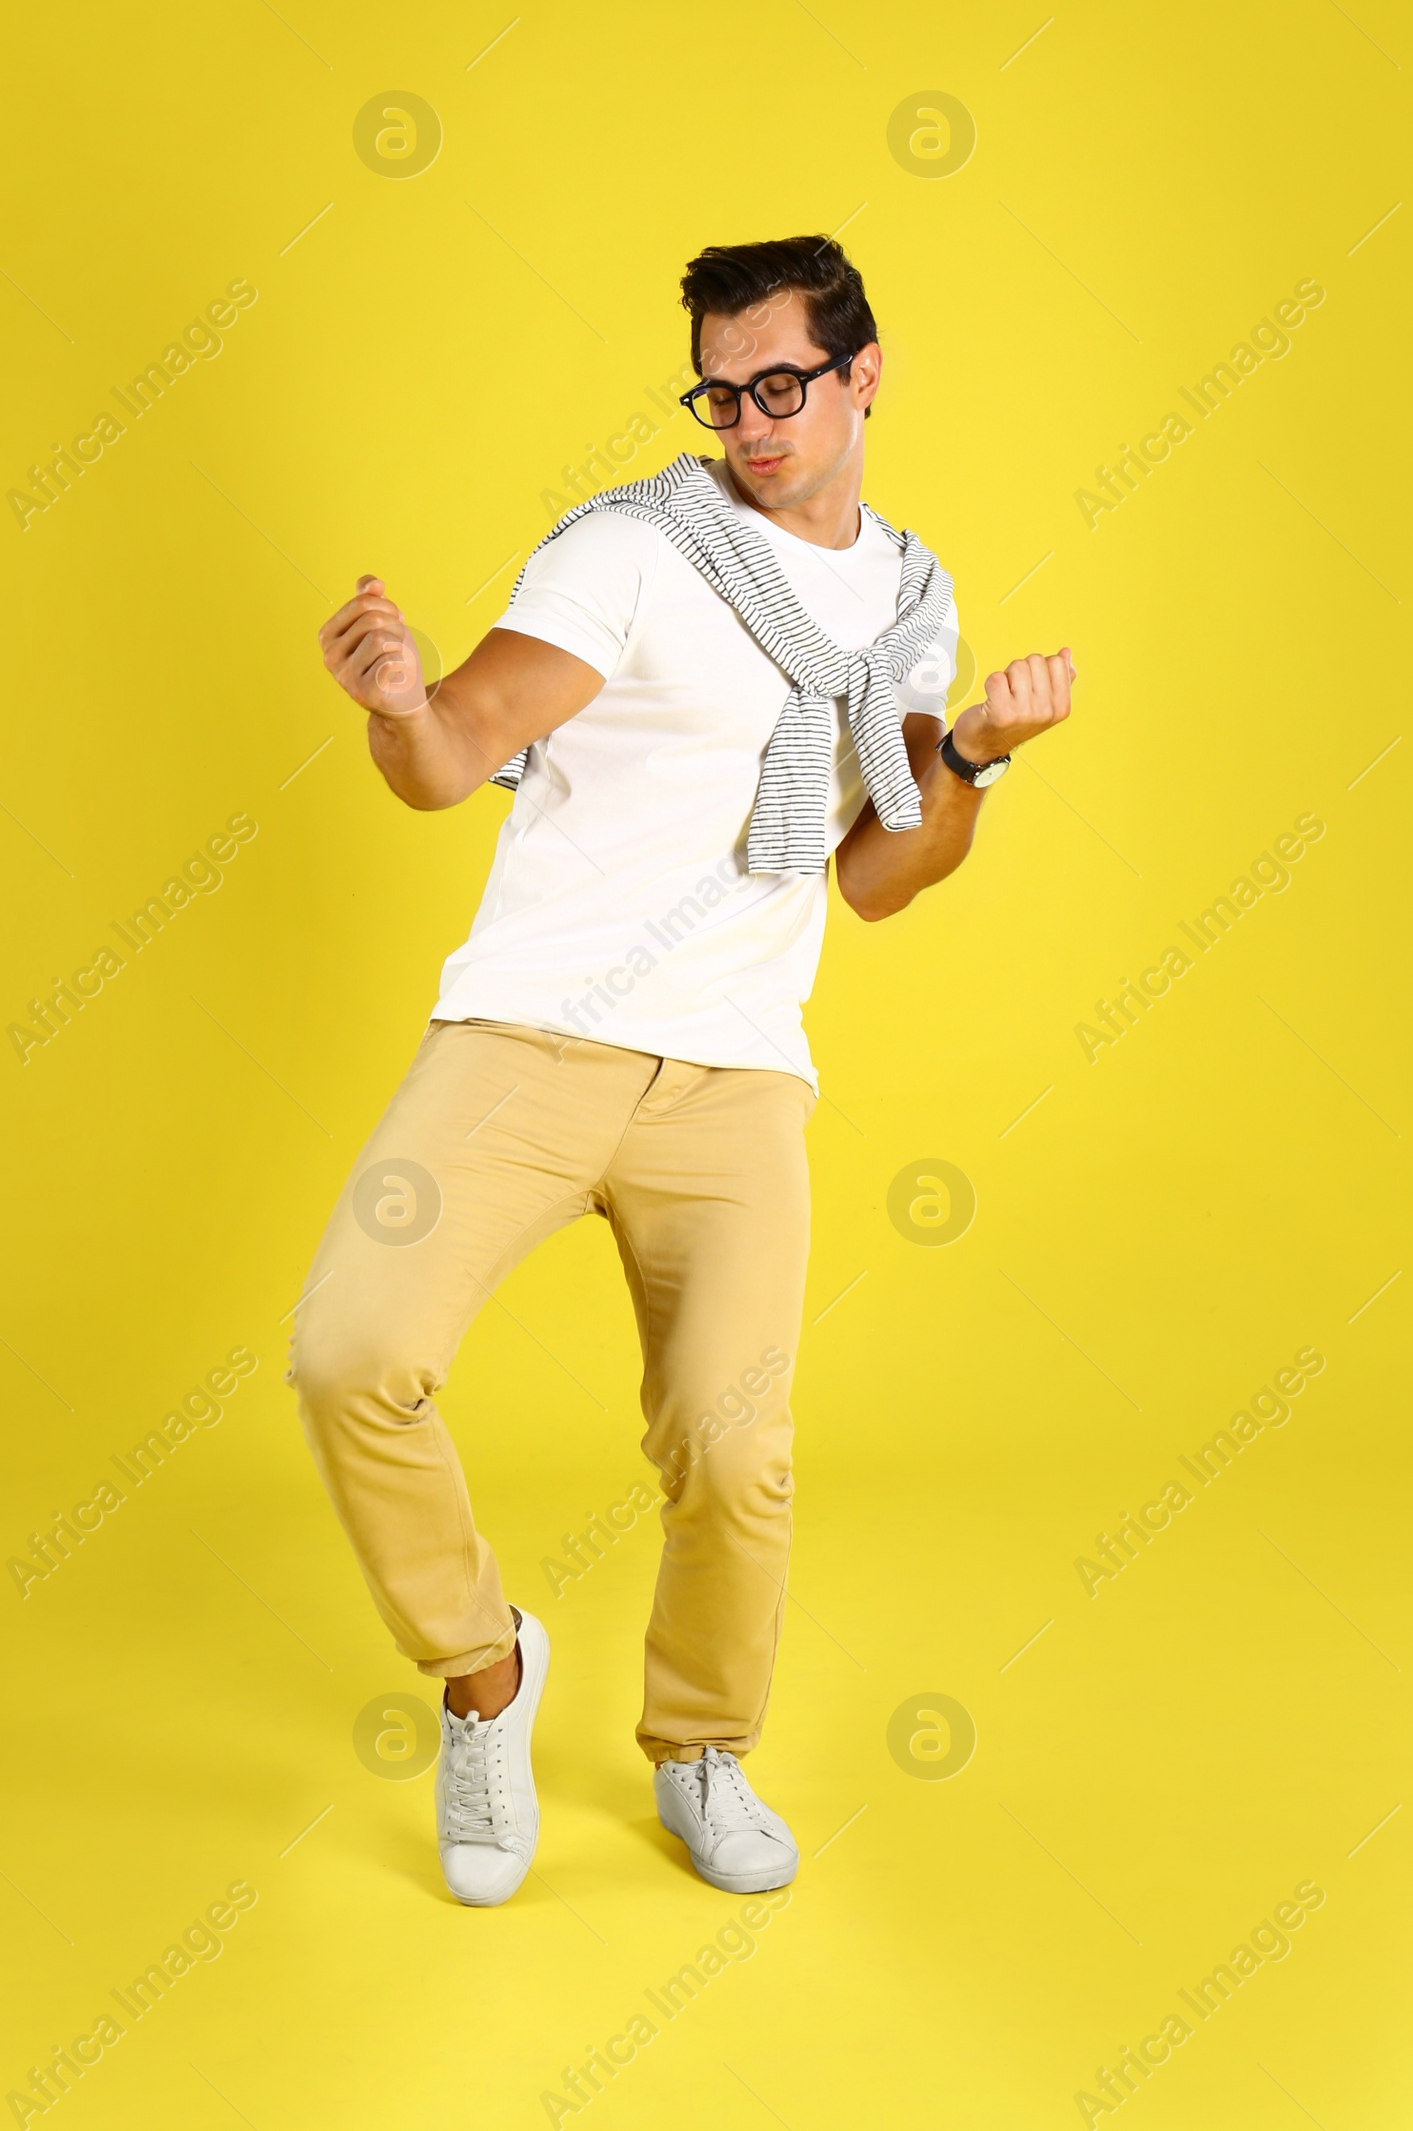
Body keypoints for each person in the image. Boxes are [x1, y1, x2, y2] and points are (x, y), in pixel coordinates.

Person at [291, 236, 1074, 1907]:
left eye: (779, 384)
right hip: (531, 1033)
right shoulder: (634, 552)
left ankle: (702, 1748)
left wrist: (979, 762)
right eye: (720, 392)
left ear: (867, 374)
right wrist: (389, 706)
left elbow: (871, 875)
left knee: (733, 1448)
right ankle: (487, 1675)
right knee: (350, 1351)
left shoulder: (906, 605)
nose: (749, 421)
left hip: (732, 1074)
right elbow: (452, 752)